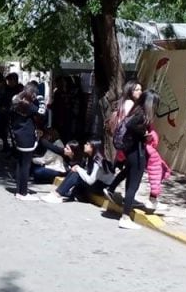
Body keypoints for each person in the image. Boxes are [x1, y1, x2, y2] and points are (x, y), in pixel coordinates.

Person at [117, 89, 160, 230]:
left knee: (130, 183)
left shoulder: (137, 111)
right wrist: (144, 134)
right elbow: (131, 126)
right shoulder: (142, 114)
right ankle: (125, 217)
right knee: (133, 186)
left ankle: (125, 214)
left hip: (130, 152)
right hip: (136, 153)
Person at [102, 80, 143, 200]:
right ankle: (122, 194)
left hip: (123, 141)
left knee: (129, 169)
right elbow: (130, 124)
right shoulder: (130, 104)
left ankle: (120, 193)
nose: (140, 92)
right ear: (130, 90)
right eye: (137, 90)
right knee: (131, 169)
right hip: (128, 141)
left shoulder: (124, 102)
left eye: (141, 89)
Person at [41, 139, 113, 203]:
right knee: (75, 171)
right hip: (96, 184)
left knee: (76, 173)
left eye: (87, 144)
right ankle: (58, 193)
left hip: (101, 187)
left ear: (93, 147)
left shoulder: (98, 161)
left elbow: (91, 181)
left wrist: (78, 169)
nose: (85, 145)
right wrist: (78, 169)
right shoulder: (91, 157)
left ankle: (57, 194)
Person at [10, 82, 47, 201]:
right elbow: (42, 112)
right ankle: (24, 193)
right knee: (26, 165)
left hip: (18, 134)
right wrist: (41, 99)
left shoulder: (16, 100)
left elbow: (16, 97)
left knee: (20, 163)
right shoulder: (28, 106)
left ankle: (19, 191)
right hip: (26, 136)